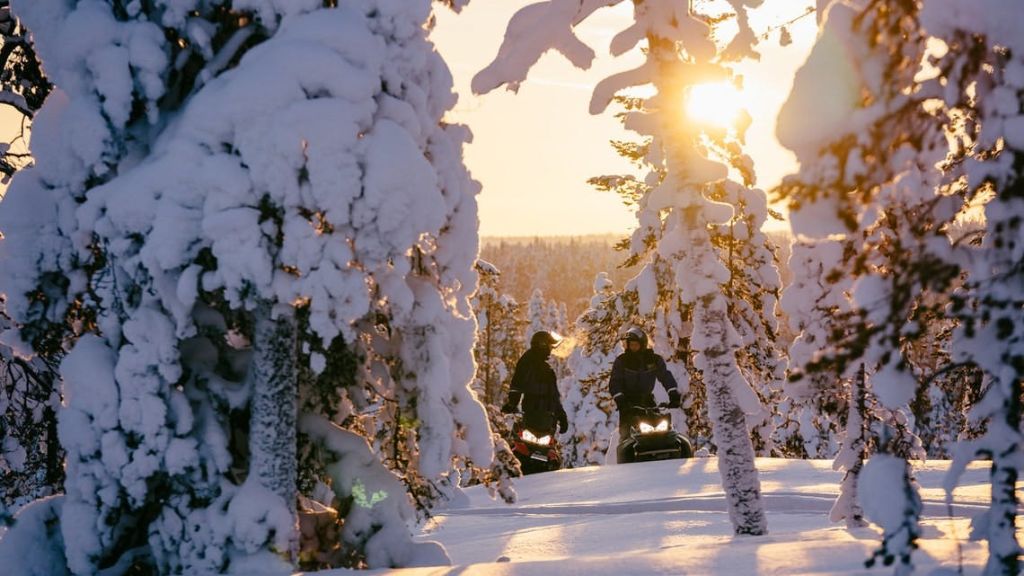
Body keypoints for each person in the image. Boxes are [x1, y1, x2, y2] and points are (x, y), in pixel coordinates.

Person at [609, 327, 681, 439]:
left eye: (635, 344)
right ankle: (626, 454)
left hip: (647, 400)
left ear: (642, 344)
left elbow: (665, 376)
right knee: (626, 433)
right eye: (630, 344)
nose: (633, 347)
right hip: (628, 403)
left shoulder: (653, 359)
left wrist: (673, 393)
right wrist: (620, 399)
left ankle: (670, 452)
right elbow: (615, 381)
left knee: (660, 427)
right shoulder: (622, 361)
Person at [501, 330, 569, 435]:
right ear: (542, 345)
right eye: (549, 346)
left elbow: (554, 396)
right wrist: (512, 403)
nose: (551, 349)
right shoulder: (527, 362)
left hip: (547, 423)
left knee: (551, 451)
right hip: (531, 419)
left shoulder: (548, 370)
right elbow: (517, 383)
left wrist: (561, 415)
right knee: (515, 443)